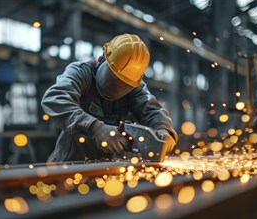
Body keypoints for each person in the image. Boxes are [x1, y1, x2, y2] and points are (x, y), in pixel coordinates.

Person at [41, 33, 178, 162]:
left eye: (124, 85)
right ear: (101, 59)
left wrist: (164, 130)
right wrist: (96, 128)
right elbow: (55, 99)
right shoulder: (80, 72)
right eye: (112, 79)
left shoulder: (135, 87)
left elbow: (152, 110)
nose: (116, 88)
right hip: (68, 166)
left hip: (109, 170)